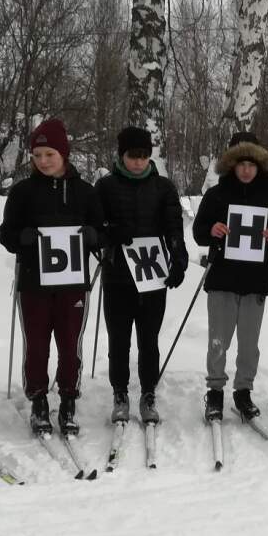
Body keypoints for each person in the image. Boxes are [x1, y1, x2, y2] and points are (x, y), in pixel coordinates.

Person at [0, 118, 105, 434]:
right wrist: (21, 238)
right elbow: (6, 233)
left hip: (73, 284)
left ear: (64, 154)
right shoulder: (23, 192)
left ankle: (69, 399)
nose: (43, 161)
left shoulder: (85, 192)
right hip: (34, 283)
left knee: (70, 345)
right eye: (37, 155)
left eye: (50, 154)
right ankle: (38, 400)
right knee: (37, 345)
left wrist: (94, 236)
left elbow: (103, 232)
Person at [191, 131, 268, 422]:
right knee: (218, 340)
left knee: (249, 344)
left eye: (251, 164)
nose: (246, 170)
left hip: (255, 281)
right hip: (222, 279)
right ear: (231, 165)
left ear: (260, 166)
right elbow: (198, 232)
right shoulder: (216, 195)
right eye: (241, 164)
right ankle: (215, 392)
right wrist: (211, 230)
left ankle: (243, 391)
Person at [95, 125, 188, 425]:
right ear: (121, 156)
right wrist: (110, 233)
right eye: (132, 156)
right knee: (119, 339)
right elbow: (94, 229)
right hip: (117, 276)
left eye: (144, 156)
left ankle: (148, 392)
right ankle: (120, 392)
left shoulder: (163, 187)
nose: (138, 162)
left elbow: (174, 227)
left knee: (149, 339)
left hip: (152, 276)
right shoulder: (105, 187)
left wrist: (179, 260)